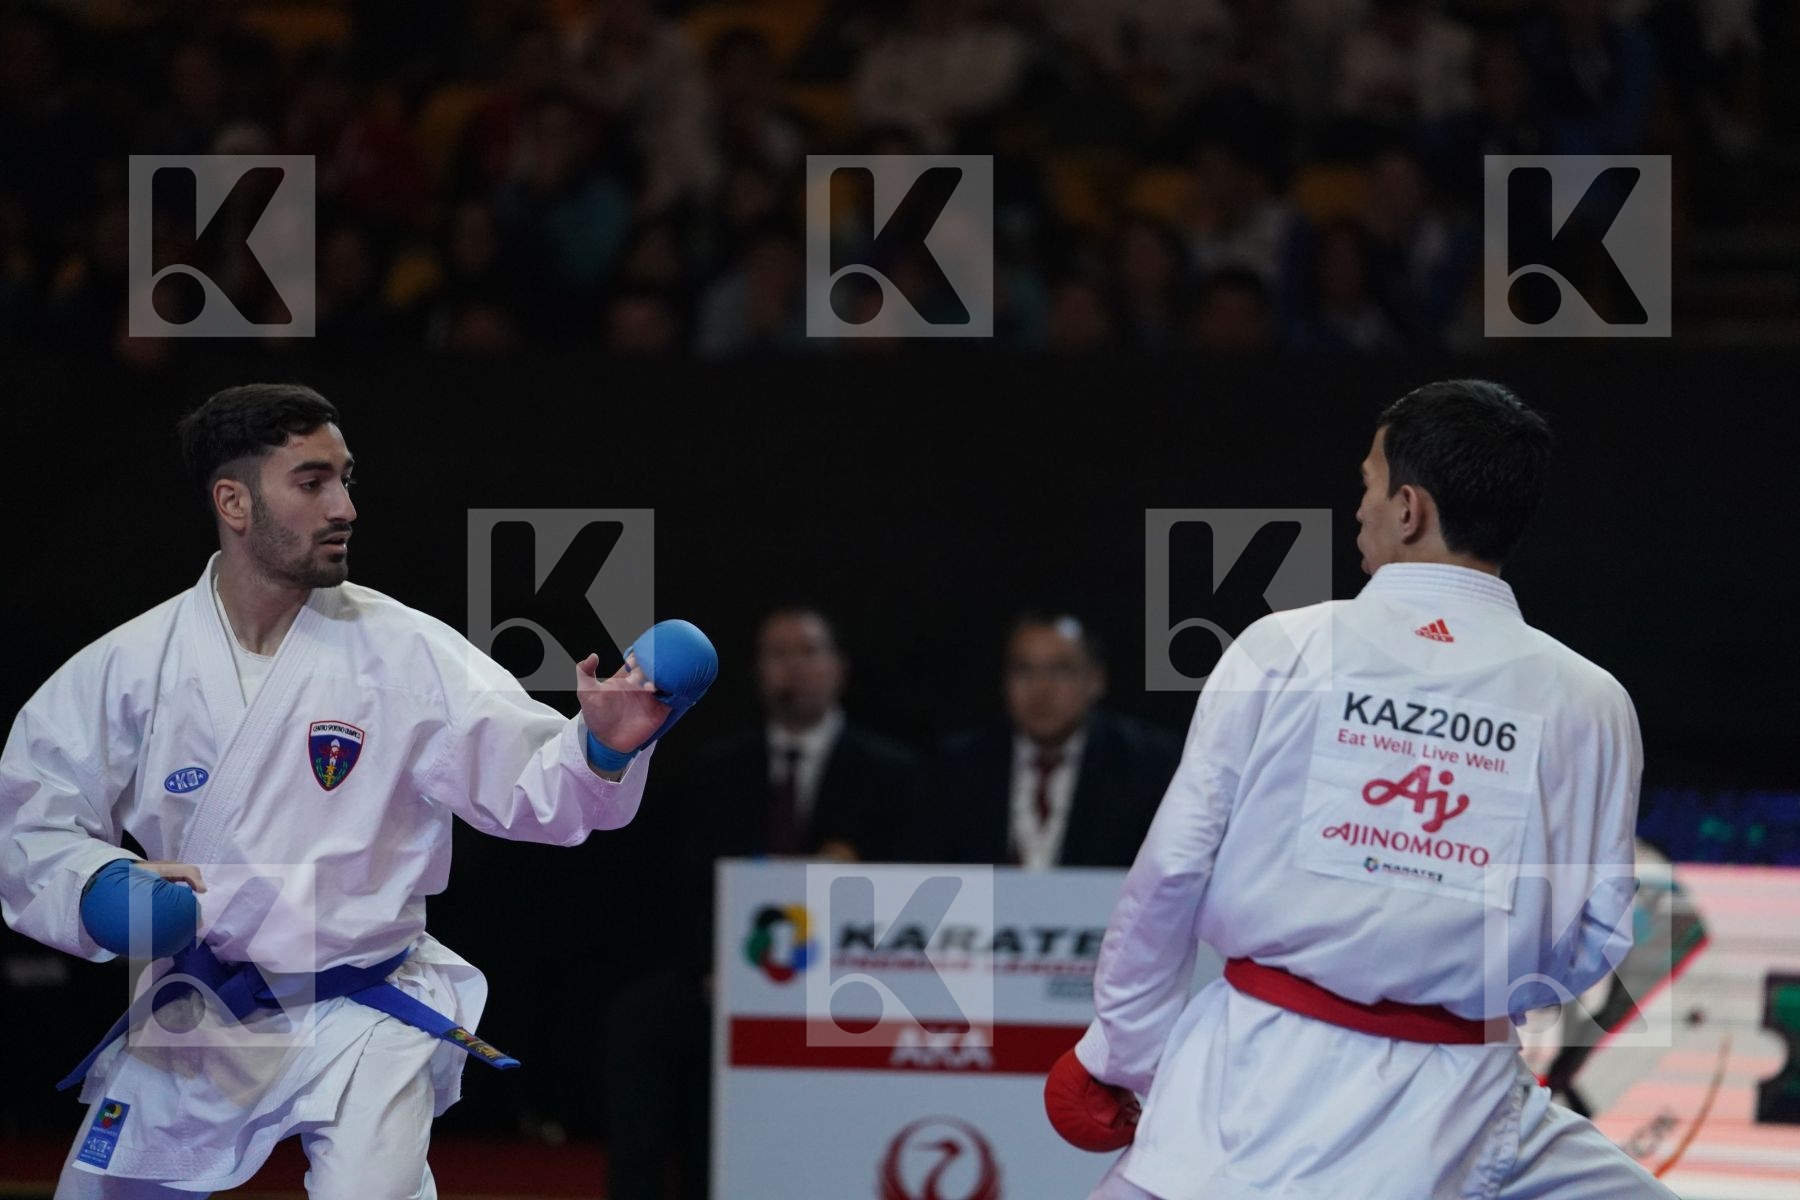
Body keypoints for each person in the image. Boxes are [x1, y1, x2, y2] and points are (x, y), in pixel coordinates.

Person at [0, 384, 715, 1199]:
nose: (343, 506)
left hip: (364, 1002)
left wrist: (601, 749)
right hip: (204, 1003)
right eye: (311, 482)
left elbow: (535, 787)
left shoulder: (404, 653)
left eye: (346, 478)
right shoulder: (130, 669)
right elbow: (32, 816)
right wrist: (97, 890)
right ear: (232, 501)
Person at [1047, 380, 1674, 1199]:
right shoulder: (1590, 701)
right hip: (1464, 1102)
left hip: (1250, 1090)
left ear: (1408, 507)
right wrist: (1459, 983)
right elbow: (1597, 936)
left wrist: (1118, 1054)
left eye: (1368, 484)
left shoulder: (1284, 649)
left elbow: (1172, 873)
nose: (1359, 509)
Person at [605, 605, 915, 1200]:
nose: (791, 668)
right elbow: (688, 887)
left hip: (851, 990)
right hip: (726, 980)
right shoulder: (719, 768)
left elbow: (907, 896)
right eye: (776, 654)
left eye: (806, 651)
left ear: (838, 668)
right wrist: (711, 969)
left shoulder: (892, 774)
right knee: (639, 1020)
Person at [911, 613, 1178, 870]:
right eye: (1024, 670)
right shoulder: (957, 767)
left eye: (1060, 670)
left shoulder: (1146, 767)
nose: (1041, 689)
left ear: (1096, 680)